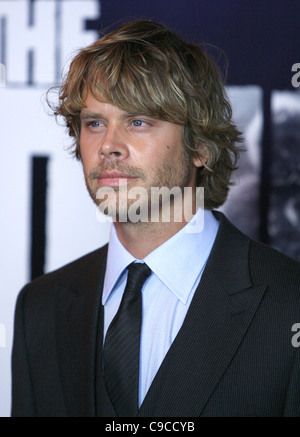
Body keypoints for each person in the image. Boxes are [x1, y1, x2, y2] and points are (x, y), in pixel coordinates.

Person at [12, 19, 300, 417]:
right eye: (94, 123)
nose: (109, 146)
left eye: (139, 121)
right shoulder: (39, 309)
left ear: (200, 145)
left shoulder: (290, 303)